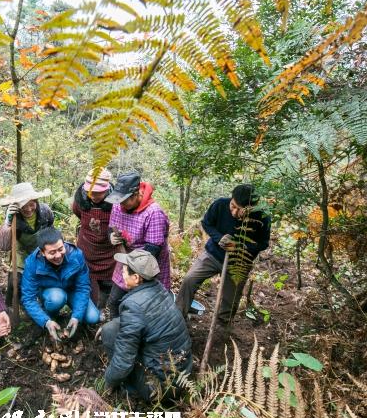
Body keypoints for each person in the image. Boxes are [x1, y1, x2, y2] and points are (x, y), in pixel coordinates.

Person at [99, 249, 192, 402]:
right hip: (183, 373)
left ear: (136, 278)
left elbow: (123, 362)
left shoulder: (133, 305)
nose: (122, 274)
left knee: (109, 331)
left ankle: (132, 389)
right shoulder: (160, 289)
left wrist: (108, 382)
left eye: (124, 271)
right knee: (115, 326)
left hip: (159, 388)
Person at [175, 184, 271, 322]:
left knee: (230, 300)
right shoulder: (220, 204)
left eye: (240, 210)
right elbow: (207, 223)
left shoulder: (262, 217)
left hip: (239, 262)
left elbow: (263, 243)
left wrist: (240, 247)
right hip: (212, 255)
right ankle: (178, 317)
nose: (234, 213)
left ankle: (222, 326)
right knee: (190, 279)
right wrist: (219, 238)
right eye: (233, 206)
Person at [105, 171, 171, 318]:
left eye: (124, 201)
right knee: (115, 301)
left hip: (148, 264)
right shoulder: (118, 205)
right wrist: (111, 236)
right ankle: (117, 330)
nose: (121, 204)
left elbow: (153, 249)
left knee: (145, 307)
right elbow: (111, 227)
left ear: (136, 194)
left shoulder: (153, 213)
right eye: (119, 201)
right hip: (125, 258)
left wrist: (134, 272)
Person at [21, 227, 100, 340]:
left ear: (64, 244)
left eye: (60, 249)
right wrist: (45, 321)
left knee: (93, 317)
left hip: (72, 290)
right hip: (50, 293)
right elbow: (28, 298)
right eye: (52, 252)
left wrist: (76, 317)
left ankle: (76, 321)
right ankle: (50, 316)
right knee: (57, 297)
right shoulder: (32, 263)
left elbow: (83, 288)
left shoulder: (76, 255)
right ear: (42, 252)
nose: (58, 255)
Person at [0, 182, 54, 306]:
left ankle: (41, 306)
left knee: (43, 279)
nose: (28, 209)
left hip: (40, 250)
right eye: (23, 206)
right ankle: (12, 309)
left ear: (36, 201)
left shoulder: (45, 211)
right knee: (15, 282)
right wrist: (8, 222)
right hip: (21, 251)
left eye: (31, 204)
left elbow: (51, 229)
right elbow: (4, 246)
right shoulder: (13, 216)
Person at [71, 168, 116, 307]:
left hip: (108, 251)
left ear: (107, 189)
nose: (94, 196)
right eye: (91, 193)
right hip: (87, 248)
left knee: (107, 283)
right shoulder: (80, 202)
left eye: (98, 193)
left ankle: (101, 307)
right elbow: (78, 214)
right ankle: (88, 311)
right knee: (86, 281)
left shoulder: (116, 204)